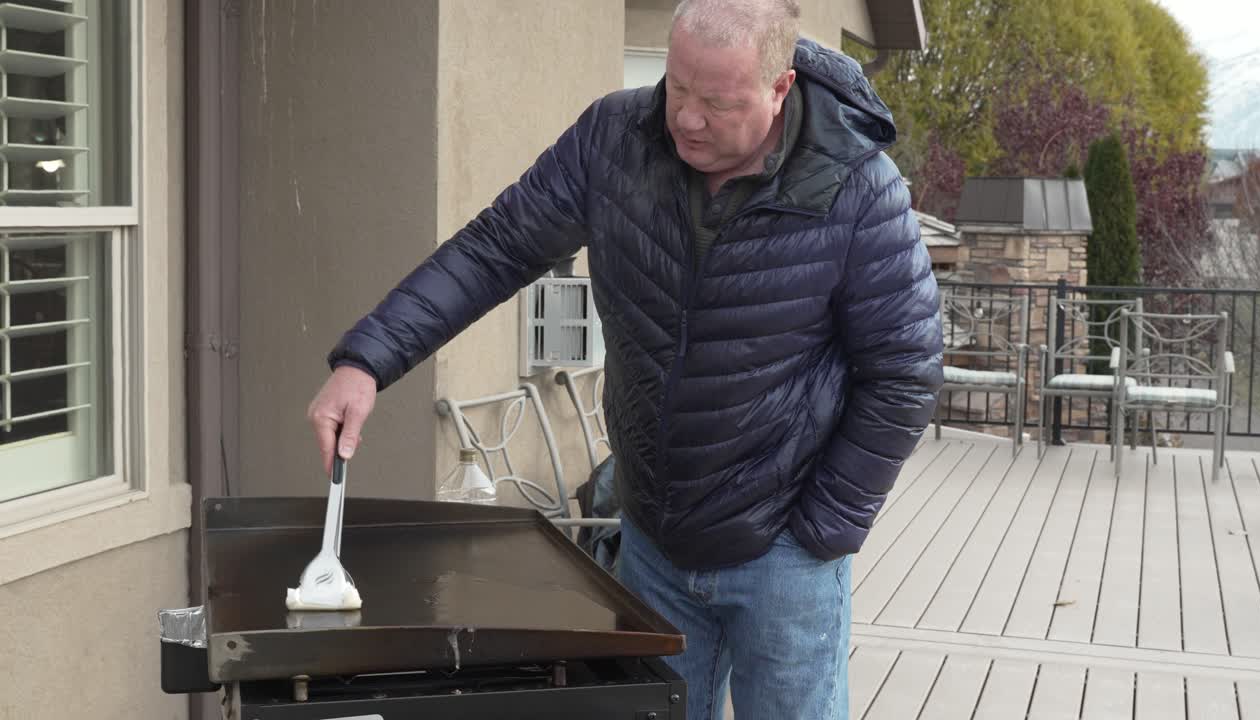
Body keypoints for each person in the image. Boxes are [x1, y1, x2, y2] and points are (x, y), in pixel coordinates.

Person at [307, 0, 943, 717]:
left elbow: (906, 370)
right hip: (653, 539)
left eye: (716, 102)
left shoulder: (858, 189)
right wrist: (368, 359)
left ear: (779, 89)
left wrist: (824, 528)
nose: (687, 120)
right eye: (676, 89)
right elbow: (496, 247)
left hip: (783, 553)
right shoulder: (613, 137)